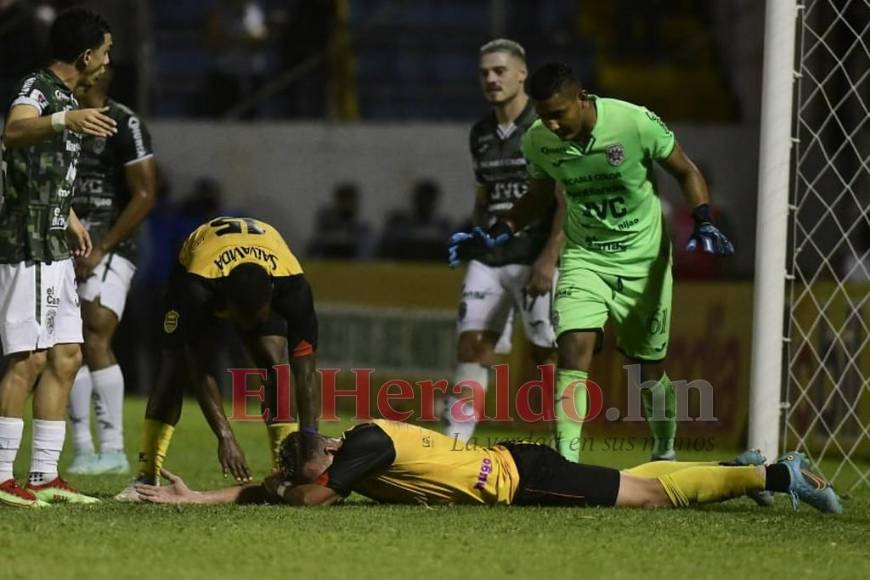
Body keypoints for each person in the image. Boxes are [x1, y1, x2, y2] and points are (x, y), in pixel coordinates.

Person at [449, 62, 735, 463]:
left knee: (647, 367)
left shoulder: (633, 123)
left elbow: (686, 170)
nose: (551, 125)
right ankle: (567, 463)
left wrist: (703, 219)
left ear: (582, 99)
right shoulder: (539, 140)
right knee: (572, 348)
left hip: (643, 261)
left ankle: (665, 450)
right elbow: (538, 196)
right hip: (585, 257)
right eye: (543, 116)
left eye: (558, 114)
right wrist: (499, 229)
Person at [133, 419, 842, 515]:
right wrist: (196, 499)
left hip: (522, 479)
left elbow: (312, 502)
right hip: (516, 466)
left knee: (649, 497)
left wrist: (285, 490)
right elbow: (281, 491)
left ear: (327, 457)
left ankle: (779, 476)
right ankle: (736, 466)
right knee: (639, 482)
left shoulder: (365, 446)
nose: (316, 477)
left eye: (311, 470)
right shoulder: (348, 449)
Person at [115, 217, 320, 501]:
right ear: (224, 303)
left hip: (263, 257)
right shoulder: (196, 289)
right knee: (174, 368)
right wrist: (226, 437)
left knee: (276, 368)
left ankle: (284, 472)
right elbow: (200, 369)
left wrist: (310, 439)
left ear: (271, 300)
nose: (244, 330)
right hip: (199, 262)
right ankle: (146, 475)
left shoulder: (294, 288)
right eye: (239, 320)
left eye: (255, 321)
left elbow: (306, 374)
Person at [0, 7, 114, 508]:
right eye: (105, 52)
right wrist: (65, 119)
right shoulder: (39, 89)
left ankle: (44, 475)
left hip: (53, 242)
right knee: (28, 359)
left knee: (68, 355)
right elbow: (14, 131)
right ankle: (0, 476)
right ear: (86, 55)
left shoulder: (66, 98)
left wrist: (68, 215)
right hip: (26, 244)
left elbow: (35, 168)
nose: (107, 63)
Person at [444, 39, 561, 442]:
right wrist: (477, 238)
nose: (491, 79)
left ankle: (565, 445)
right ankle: (455, 443)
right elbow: (484, 196)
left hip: (535, 256)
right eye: (484, 73)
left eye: (500, 71)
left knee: (546, 352)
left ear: (522, 74)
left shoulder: (546, 127)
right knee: (472, 343)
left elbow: (565, 199)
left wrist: (549, 258)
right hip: (491, 258)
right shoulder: (480, 133)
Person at [66, 68, 157, 475]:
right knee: (65, 342)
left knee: (96, 329)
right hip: (66, 243)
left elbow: (145, 193)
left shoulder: (124, 123)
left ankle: (114, 448)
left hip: (111, 245)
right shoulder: (61, 120)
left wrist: (101, 247)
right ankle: (84, 449)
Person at [377, 179, 453, 261]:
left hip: (435, 267)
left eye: (429, 199)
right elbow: (385, 250)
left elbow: (451, 251)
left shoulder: (443, 226)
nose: (425, 203)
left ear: (434, 201)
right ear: (415, 199)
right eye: (422, 198)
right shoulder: (399, 223)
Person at [306, 182, 374, 260]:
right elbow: (313, 254)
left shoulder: (363, 231)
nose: (347, 205)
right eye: (344, 200)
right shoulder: (327, 229)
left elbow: (366, 257)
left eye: (350, 200)